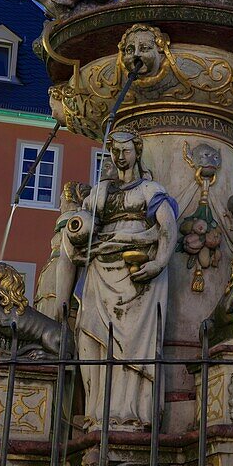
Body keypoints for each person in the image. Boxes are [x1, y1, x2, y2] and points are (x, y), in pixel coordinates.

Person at [57, 129, 178, 430]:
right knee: (92, 337)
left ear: (137, 151)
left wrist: (159, 263)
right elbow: (76, 235)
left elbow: (167, 228)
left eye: (126, 150)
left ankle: (132, 413)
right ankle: (97, 411)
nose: (120, 156)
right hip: (101, 271)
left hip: (137, 277)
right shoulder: (98, 194)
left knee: (135, 343)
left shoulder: (150, 190)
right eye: (115, 150)